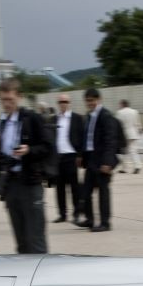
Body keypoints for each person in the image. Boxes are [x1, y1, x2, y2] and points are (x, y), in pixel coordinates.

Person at [0, 78, 50, 254]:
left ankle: (41, 270)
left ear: (19, 97)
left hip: (30, 184)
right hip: (11, 185)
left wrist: (29, 150)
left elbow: (48, 146)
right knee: (21, 240)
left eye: (10, 99)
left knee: (36, 239)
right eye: (3, 100)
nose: (6, 104)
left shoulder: (32, 119)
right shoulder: (3, 122)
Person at [77, 88, 118, 232]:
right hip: (90, 159)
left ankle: (105, 223)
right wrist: (81, 155)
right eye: (87, 101)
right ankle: (90, 219)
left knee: (103, 192)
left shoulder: (106, 115)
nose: (89, 103)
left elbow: (110, 140)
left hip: (102, 160)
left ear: (99, 99)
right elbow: (86, 138)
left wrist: (107, 162)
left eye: (92, 100)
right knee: (86, 191)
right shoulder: (89, 116)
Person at [52, 93, 84, 224]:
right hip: (58, 158)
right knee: (59, 188)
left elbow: (82, 137)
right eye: (61, 102)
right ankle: (62, 214)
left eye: (65, 101)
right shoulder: (54, 119)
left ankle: (76, 213)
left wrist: (80, 155)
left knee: (74, 187)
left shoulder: (77, 118)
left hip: (71, 157)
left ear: (69, 103)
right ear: (58, 104)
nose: (63, 104)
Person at [115, 99, 142, 174]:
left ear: (122, 104)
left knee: (123, 152)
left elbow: (118, 124)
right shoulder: (135, 111)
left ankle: (124, 168)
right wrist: (140, 130)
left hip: (124, 133)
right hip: (133, 133)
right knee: (133, 151)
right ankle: (137, 166)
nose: (119, 106)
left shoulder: (119, 112)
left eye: (120, 104)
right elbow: (137, 123)